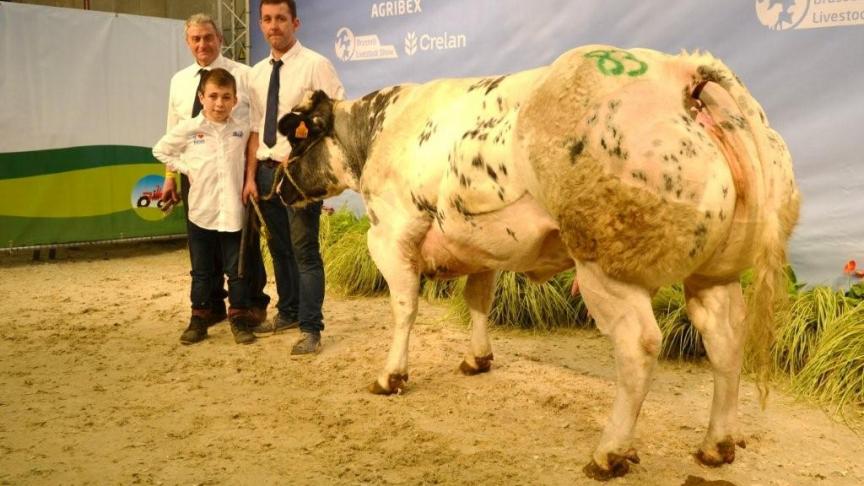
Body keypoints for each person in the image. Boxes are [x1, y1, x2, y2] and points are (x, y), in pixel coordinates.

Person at [243, 0, 345, 355]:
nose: (274, 26)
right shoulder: (255, 73)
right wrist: (251, 176)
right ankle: (287, 312)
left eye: (281, 19)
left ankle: (311, 327)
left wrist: (301, 155)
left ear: (295, 23)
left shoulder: (316, 65)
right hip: (267, 171)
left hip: (299, 175)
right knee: (279, 248)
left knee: (305, 252)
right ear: (260, 24)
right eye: (268, 19)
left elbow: (334, 118)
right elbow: (256, 127)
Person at [161, 13, 268, 343]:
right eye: (195, 39)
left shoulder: (244, 75)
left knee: (242, 250)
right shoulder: (179, 81)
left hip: (237, 173)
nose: (202, 44)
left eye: (208, 37)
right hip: (196, 174)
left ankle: (248, 308)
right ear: (187, 42)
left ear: (220, 39)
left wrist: (250, 176)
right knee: (202, 252)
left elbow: (254, 130)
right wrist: (171, 176)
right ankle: (207, 311)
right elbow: (171, 131)